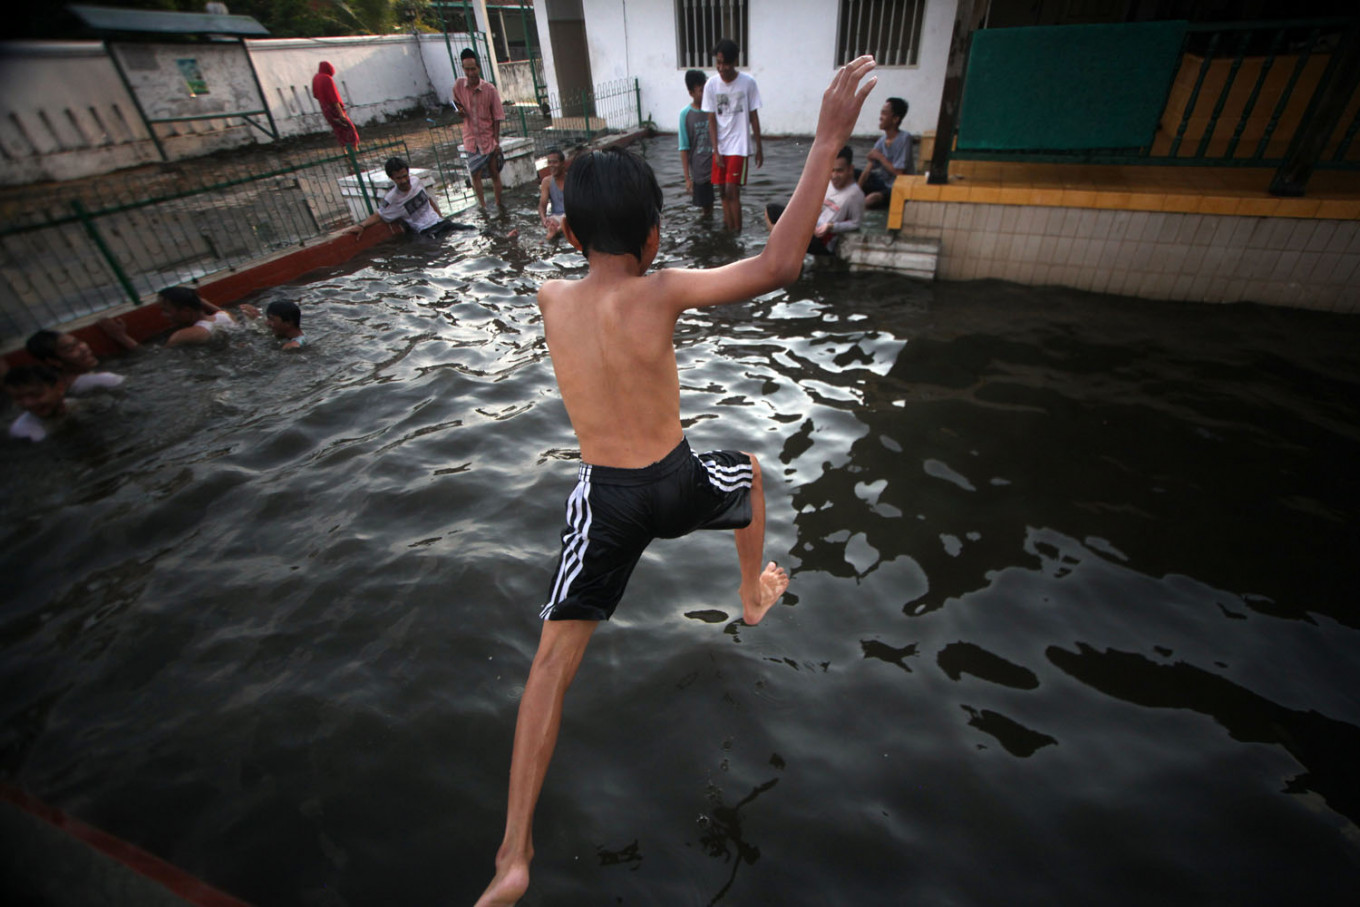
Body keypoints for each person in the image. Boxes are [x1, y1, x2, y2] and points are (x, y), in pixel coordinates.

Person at [474, 55, 878, 907]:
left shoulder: (551, 296)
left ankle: (514, 855)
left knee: (549, 669)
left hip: (609, 500)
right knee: (750, 474)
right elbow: (776, 265)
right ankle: (750, 591)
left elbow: (563, 245)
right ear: (655, 236)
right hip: (676, 478)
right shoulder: (661, 292)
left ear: (576, 235)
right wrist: (830, 138)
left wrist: (563, 211)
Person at [702, 38, 763, 232]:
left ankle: (737, 234)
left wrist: (759, 147)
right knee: (721, 191)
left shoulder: (748, 83)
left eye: (725, 63)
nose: (721, 68)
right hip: (720, 145)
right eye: (718, 63)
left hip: (739, 145)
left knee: (731, 190)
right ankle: (728, 230)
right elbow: (711, 119)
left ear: (735, 61)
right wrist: (715, 149)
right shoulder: (711, 85)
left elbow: (754, 116)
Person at [764, 146, 865, 256]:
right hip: (810, 228)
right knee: (771, 210)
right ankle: (781, 252)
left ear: (850, 169)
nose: (835, 176)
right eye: (832, 170)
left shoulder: (855, 194)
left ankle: (781, 254)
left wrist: (831, 226)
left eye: (840, 171)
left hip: (822, 241)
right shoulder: (828, 183)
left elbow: (856, 223)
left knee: (786, 233)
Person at [346, 157, 471, 240]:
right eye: (399, 178)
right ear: (392, 179)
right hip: (426, 232)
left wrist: (441, 217)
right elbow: (379, 214)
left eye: (405, 176)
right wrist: (362, 226)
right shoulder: (392, 199)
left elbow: (430, 200)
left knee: (471, 230)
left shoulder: (417, 181)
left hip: (441, 223)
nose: (404, 181)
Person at [452, 48, 506, 209]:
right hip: (471, 139)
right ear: (463, 69)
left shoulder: (490, 90)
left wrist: (496, 141)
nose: (470, 73)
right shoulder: (458, 86)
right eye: (467, 69)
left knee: (494, 172)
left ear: (479, 68)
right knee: (475, 174)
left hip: (487, 137)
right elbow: (457, 105)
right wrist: (459, 112)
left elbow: (497, 117)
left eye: (473, 69)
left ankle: (498, 203)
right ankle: (482, 206)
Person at [25, 322, 134, 395]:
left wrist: (120, 336)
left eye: (78, 342)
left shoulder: (58, 387)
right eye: (70, 349)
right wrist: (123, 338)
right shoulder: (103, 379)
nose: (83, 348)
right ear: (54, 361)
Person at [858, 97, 912, 209]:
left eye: (884, 113)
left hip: (897, 187)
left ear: (895, 119)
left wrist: (880, 157)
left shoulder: (905, 138)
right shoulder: (882, 141)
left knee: (871, 199)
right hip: (883, 183)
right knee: (851, 173)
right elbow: (868, 170)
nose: (880, 117)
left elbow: (899, 173)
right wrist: (856, 190)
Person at [158, 286, 255, 347]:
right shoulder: (225, 316)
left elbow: (163, 353)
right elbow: (220, 311)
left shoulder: (182, 336)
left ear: (186, 310)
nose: (163, 315)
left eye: (166, 311)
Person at [678, 69, 714, 218]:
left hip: (717, 163)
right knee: (706, 208)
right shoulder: (685, 115)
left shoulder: (712, 109)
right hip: (700, 168)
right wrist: (687, 178)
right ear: (691, 92)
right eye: (700, 90)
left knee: (725, 198)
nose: (704, 94)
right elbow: (684, 148)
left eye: (706, 89)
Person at [6, 364, 69, 442]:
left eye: (35, 395)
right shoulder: (25, 432)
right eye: (18, 398)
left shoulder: (75, 405)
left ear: (60, 388)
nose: (28, 403)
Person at [312, 61, 360, 149]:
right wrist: (341, 113)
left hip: (325, 108)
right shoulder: (327, 78)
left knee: (338, 130)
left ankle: (344, 150)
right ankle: (354, 148)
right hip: (334, 108)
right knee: (349, 128)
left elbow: (316, 95)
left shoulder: (316, 78)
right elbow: (334, 97)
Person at [537, 148, 567, 241]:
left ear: (562, 163)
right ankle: (553, 232)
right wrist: (544, 220)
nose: (552, 165)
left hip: (570, 216)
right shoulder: (547, 182)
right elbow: (542, 206)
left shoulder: (572, 180)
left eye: (555, 162)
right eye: (549, 162)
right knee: (552, 222)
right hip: (556, 216)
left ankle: (553, 234)